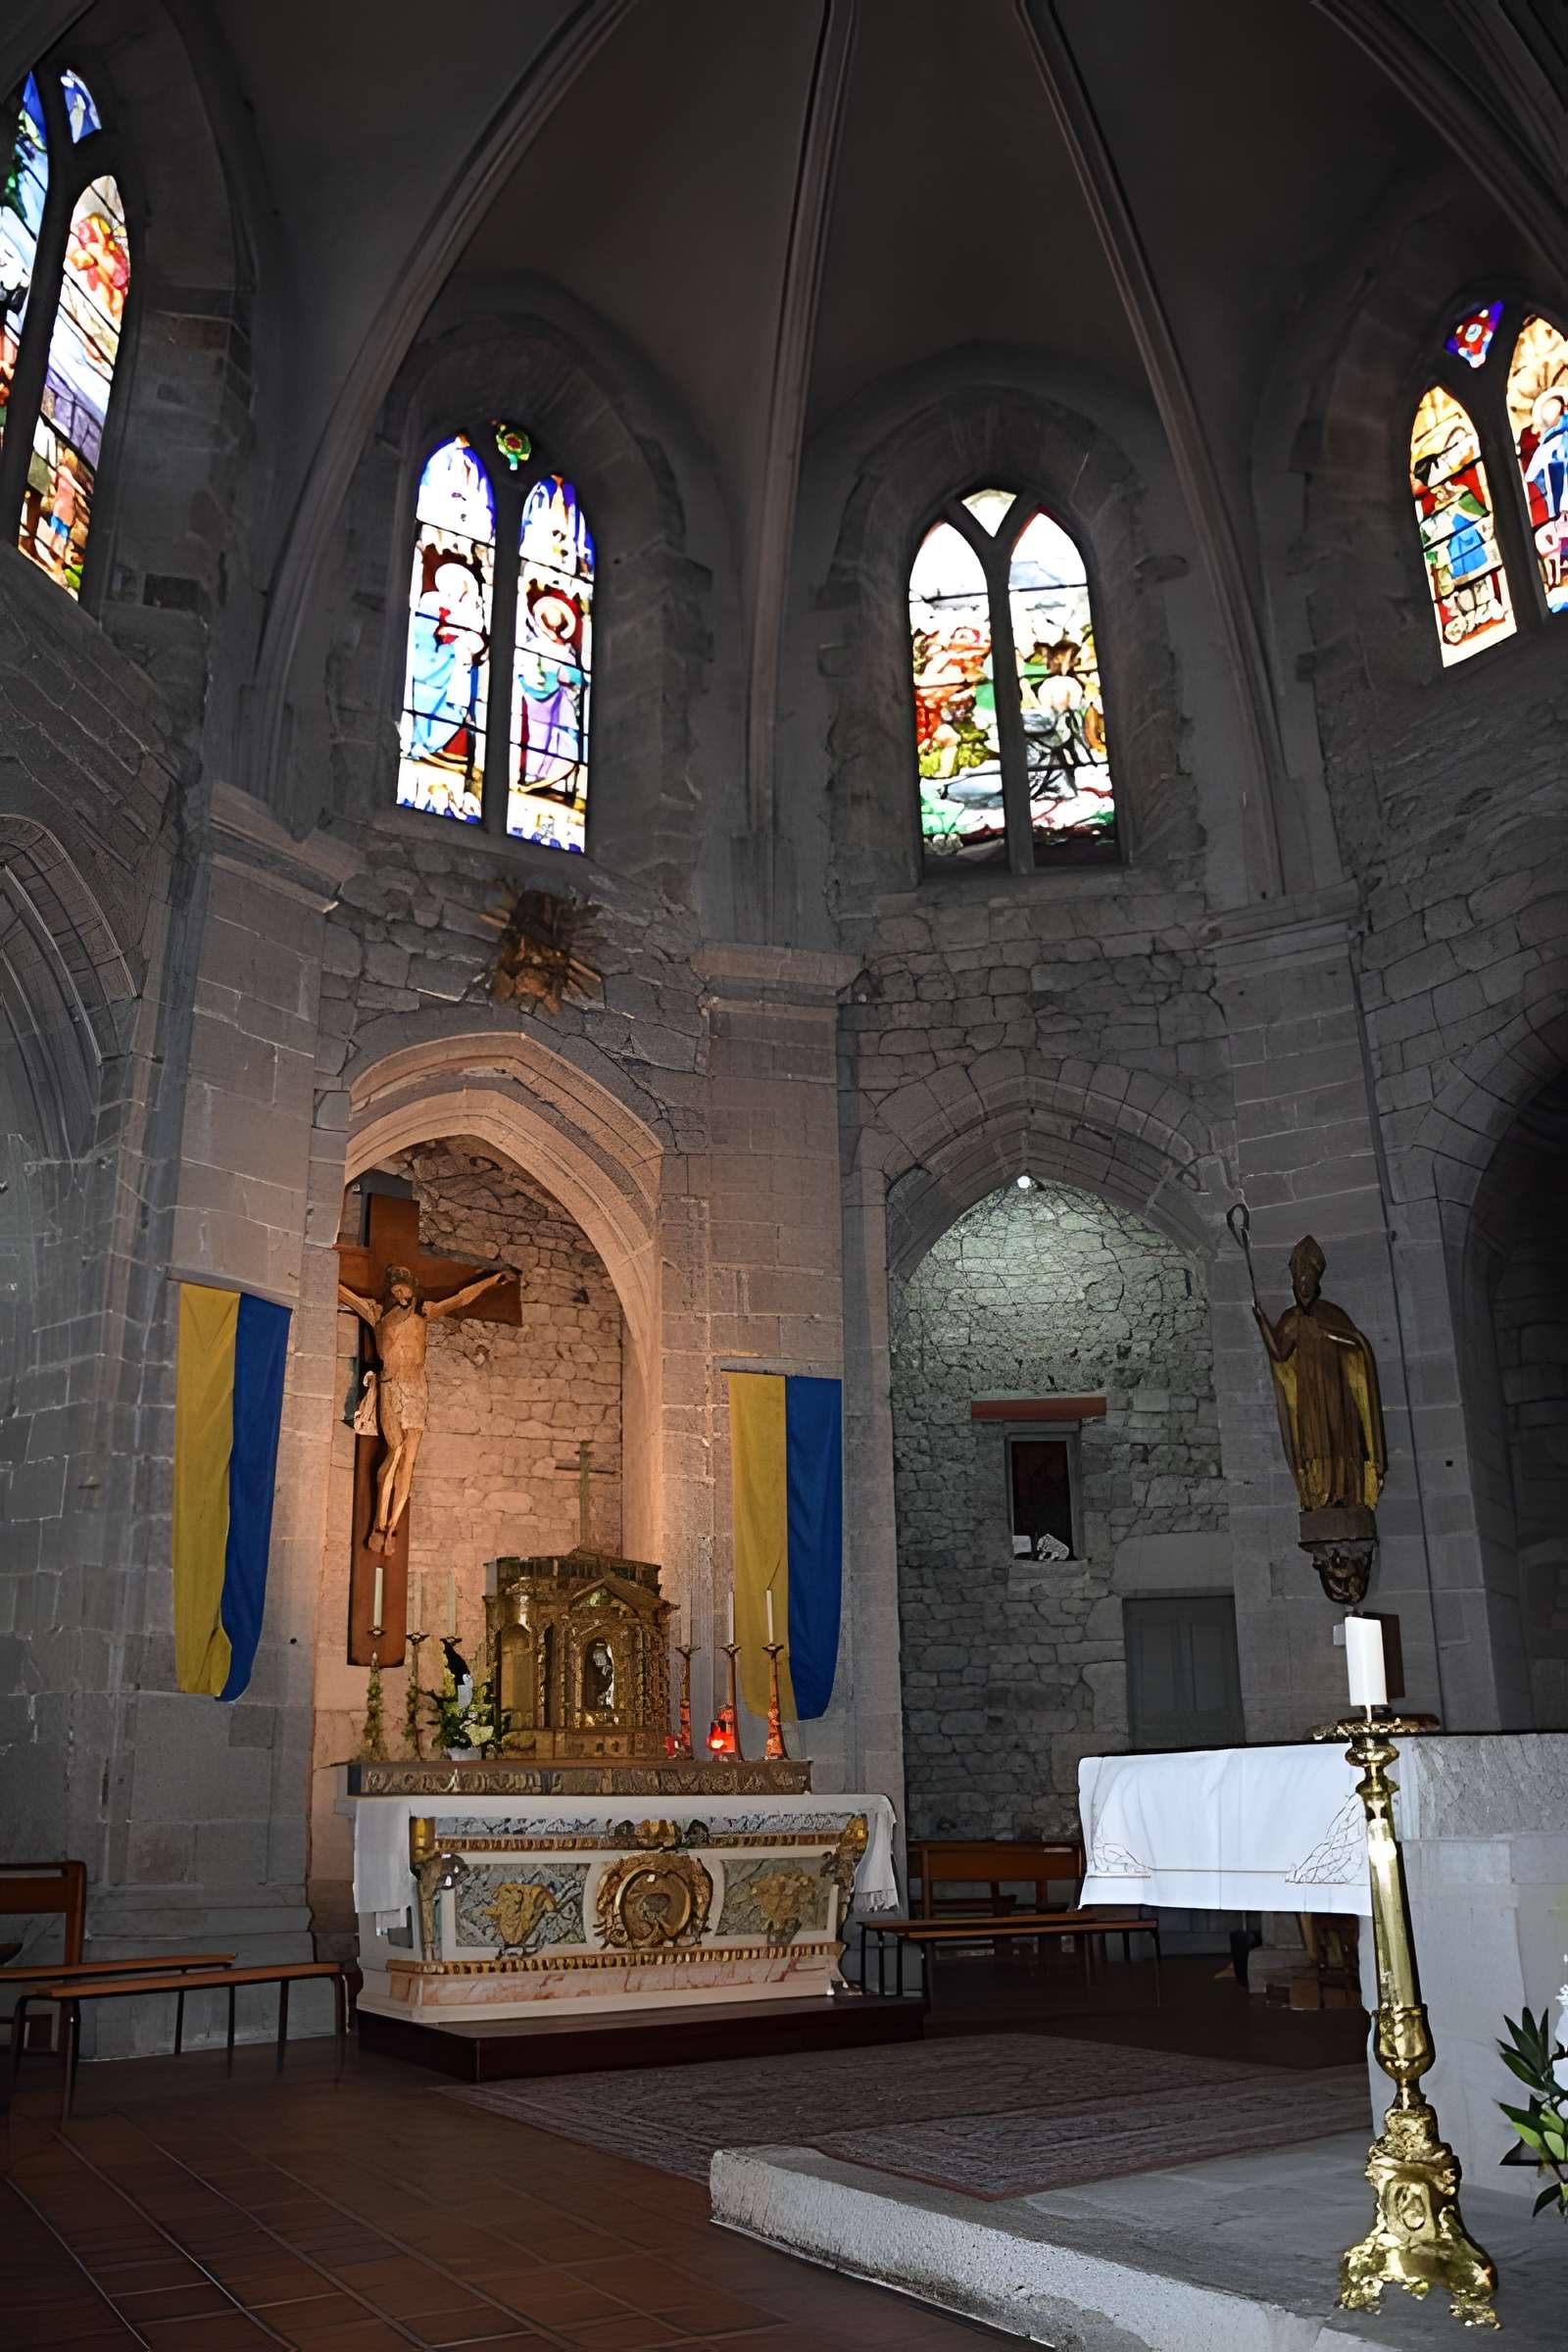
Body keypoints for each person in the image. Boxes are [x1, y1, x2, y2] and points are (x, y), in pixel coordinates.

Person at [337, 1260, 514, 1550]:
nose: (399, 1292)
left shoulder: (424, 1312)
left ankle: (391, 1528)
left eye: (403, 1286)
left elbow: (460, 1298)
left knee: (409, 1460)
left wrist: (493, 1281)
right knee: (394, 1450)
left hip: (417, 1389)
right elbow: (344, 1293)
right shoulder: (377, 1313)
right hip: (392, 1385)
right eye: (394, 1288)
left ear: (411, 1288)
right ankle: (376, 1525)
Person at [1251, 1236, 1386, 1512]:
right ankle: (1317, 1495)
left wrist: (1328, 1333)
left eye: (1307, 1279)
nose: (1303, 1285)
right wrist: (1262, 1322)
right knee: (1312, 1442)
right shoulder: (1291, 1318)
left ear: (1316, 1281)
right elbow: (1279, 1353)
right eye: (1299, 1280)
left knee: (1340, 1436)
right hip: (1308, 1393)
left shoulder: (1331, 1313)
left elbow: (1356, 1345)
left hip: (1334, 1387)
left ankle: (1346, 1492)